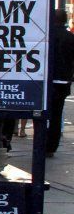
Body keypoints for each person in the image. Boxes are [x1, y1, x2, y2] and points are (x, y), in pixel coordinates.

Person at [47, 9, 74, 156]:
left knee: (42, 113)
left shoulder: (47, 35)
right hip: (63, 80)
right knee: (56, 115)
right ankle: (51, 146)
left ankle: (42, 142)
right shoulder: (70, 37)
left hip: (46, 81)